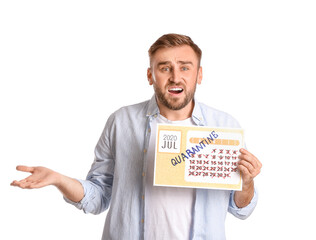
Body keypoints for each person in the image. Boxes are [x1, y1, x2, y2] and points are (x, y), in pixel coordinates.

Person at [11, 33, 262, 240]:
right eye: (165, 68)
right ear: (150, 75)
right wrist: (58, 179)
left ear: (199, 74)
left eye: (185, 67)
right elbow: (98, 197)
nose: (176, 77)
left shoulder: (225, 127)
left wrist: (247, 182)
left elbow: (240, 208)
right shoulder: (121, 122)